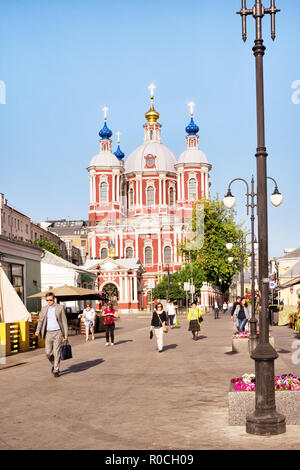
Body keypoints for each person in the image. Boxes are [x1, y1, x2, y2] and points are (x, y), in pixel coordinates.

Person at [34, 292, 68, 377]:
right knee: (48, 352)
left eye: (50, 300)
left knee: (56, 352)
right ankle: (54, 363)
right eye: (47, 300)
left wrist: (66, 334)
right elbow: (41, 320)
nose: (49, 302)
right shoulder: (44, 308)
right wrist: (38, 330)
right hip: (48, 333)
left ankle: (56, 369)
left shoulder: (60, 308)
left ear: (54, 299)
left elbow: (64, 321)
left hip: (58, 332)